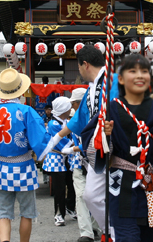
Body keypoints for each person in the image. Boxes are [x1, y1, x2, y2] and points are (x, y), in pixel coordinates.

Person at [82, 54, 153, 242]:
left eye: (144, 71)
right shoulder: (110, 109)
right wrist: (104, 136)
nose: (140, 76)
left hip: (151, 187)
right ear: (120, 79)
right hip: (121, 190)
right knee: (126, 238)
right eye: (133, 71)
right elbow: (92, 146)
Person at [0, 68, 61, 242]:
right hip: (23, 166)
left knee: (3, 213)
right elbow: (40, 141)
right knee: (27, 213)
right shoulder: (27, 111)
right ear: (20, 89)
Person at [55, 45, 119, 237]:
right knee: (90, 196)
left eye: (79, 66)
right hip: (97, 150)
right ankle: (112, 231)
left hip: (119, 148)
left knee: (118, 196)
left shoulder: (115, 81)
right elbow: (78, 120)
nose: (79, 70)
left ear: (85, 64)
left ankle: (118, 233)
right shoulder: (91, 89)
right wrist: (57, 137)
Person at [67, 87, 101, 242]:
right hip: (82, 162)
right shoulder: (75, 119)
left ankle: (94, 227)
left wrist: (74, 148)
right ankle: (86, 233)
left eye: (74, 103)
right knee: (82, 196)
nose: (73, 106)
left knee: (94, 196)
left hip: (93, 161)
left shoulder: (93, 117)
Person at [42, 97, 76, 227]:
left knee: (72, 185)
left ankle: (70, 208)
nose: (70, 109)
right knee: (59, 189)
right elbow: (63, 145)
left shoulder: (66, 121)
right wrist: (77, 144)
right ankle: (59, 214)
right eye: (68, 108)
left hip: (68, 157)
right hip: (56, 158)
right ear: (63, 110)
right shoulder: (53, 124)